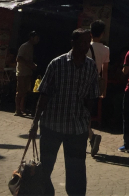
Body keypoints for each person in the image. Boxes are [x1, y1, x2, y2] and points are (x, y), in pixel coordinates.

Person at [29, 28, 100, 196]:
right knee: (45, 167)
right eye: (81, 42)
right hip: (52, 125)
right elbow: (44, 94)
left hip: (77, 129)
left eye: (87, 42)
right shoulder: (57, 63)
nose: (85, 46)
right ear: (73, 43)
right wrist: (35, 123)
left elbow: (92, 96)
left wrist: (87, 119)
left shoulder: (91, 67)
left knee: (76, 169)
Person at [85, 20, 109, 156]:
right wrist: (104, 89)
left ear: (90, 32)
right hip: (94, 85)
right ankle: (91, 137)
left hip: (82, 83)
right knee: (87, 113)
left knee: (79, 112)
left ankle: (91, 137)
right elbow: (104, 71)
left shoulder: (85, 47)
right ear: (103, 34)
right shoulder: (106, 49)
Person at [15, 31, 40, 116]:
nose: (37, 40)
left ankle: (22, 109)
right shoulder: (25, 46)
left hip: (28, 72)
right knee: (20, 91)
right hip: (22, 72)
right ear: (31, 38)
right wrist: (30, 65)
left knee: (25, 91)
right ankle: (17, 110)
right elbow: (18, 58)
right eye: (36, 38)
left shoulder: (31, 47)